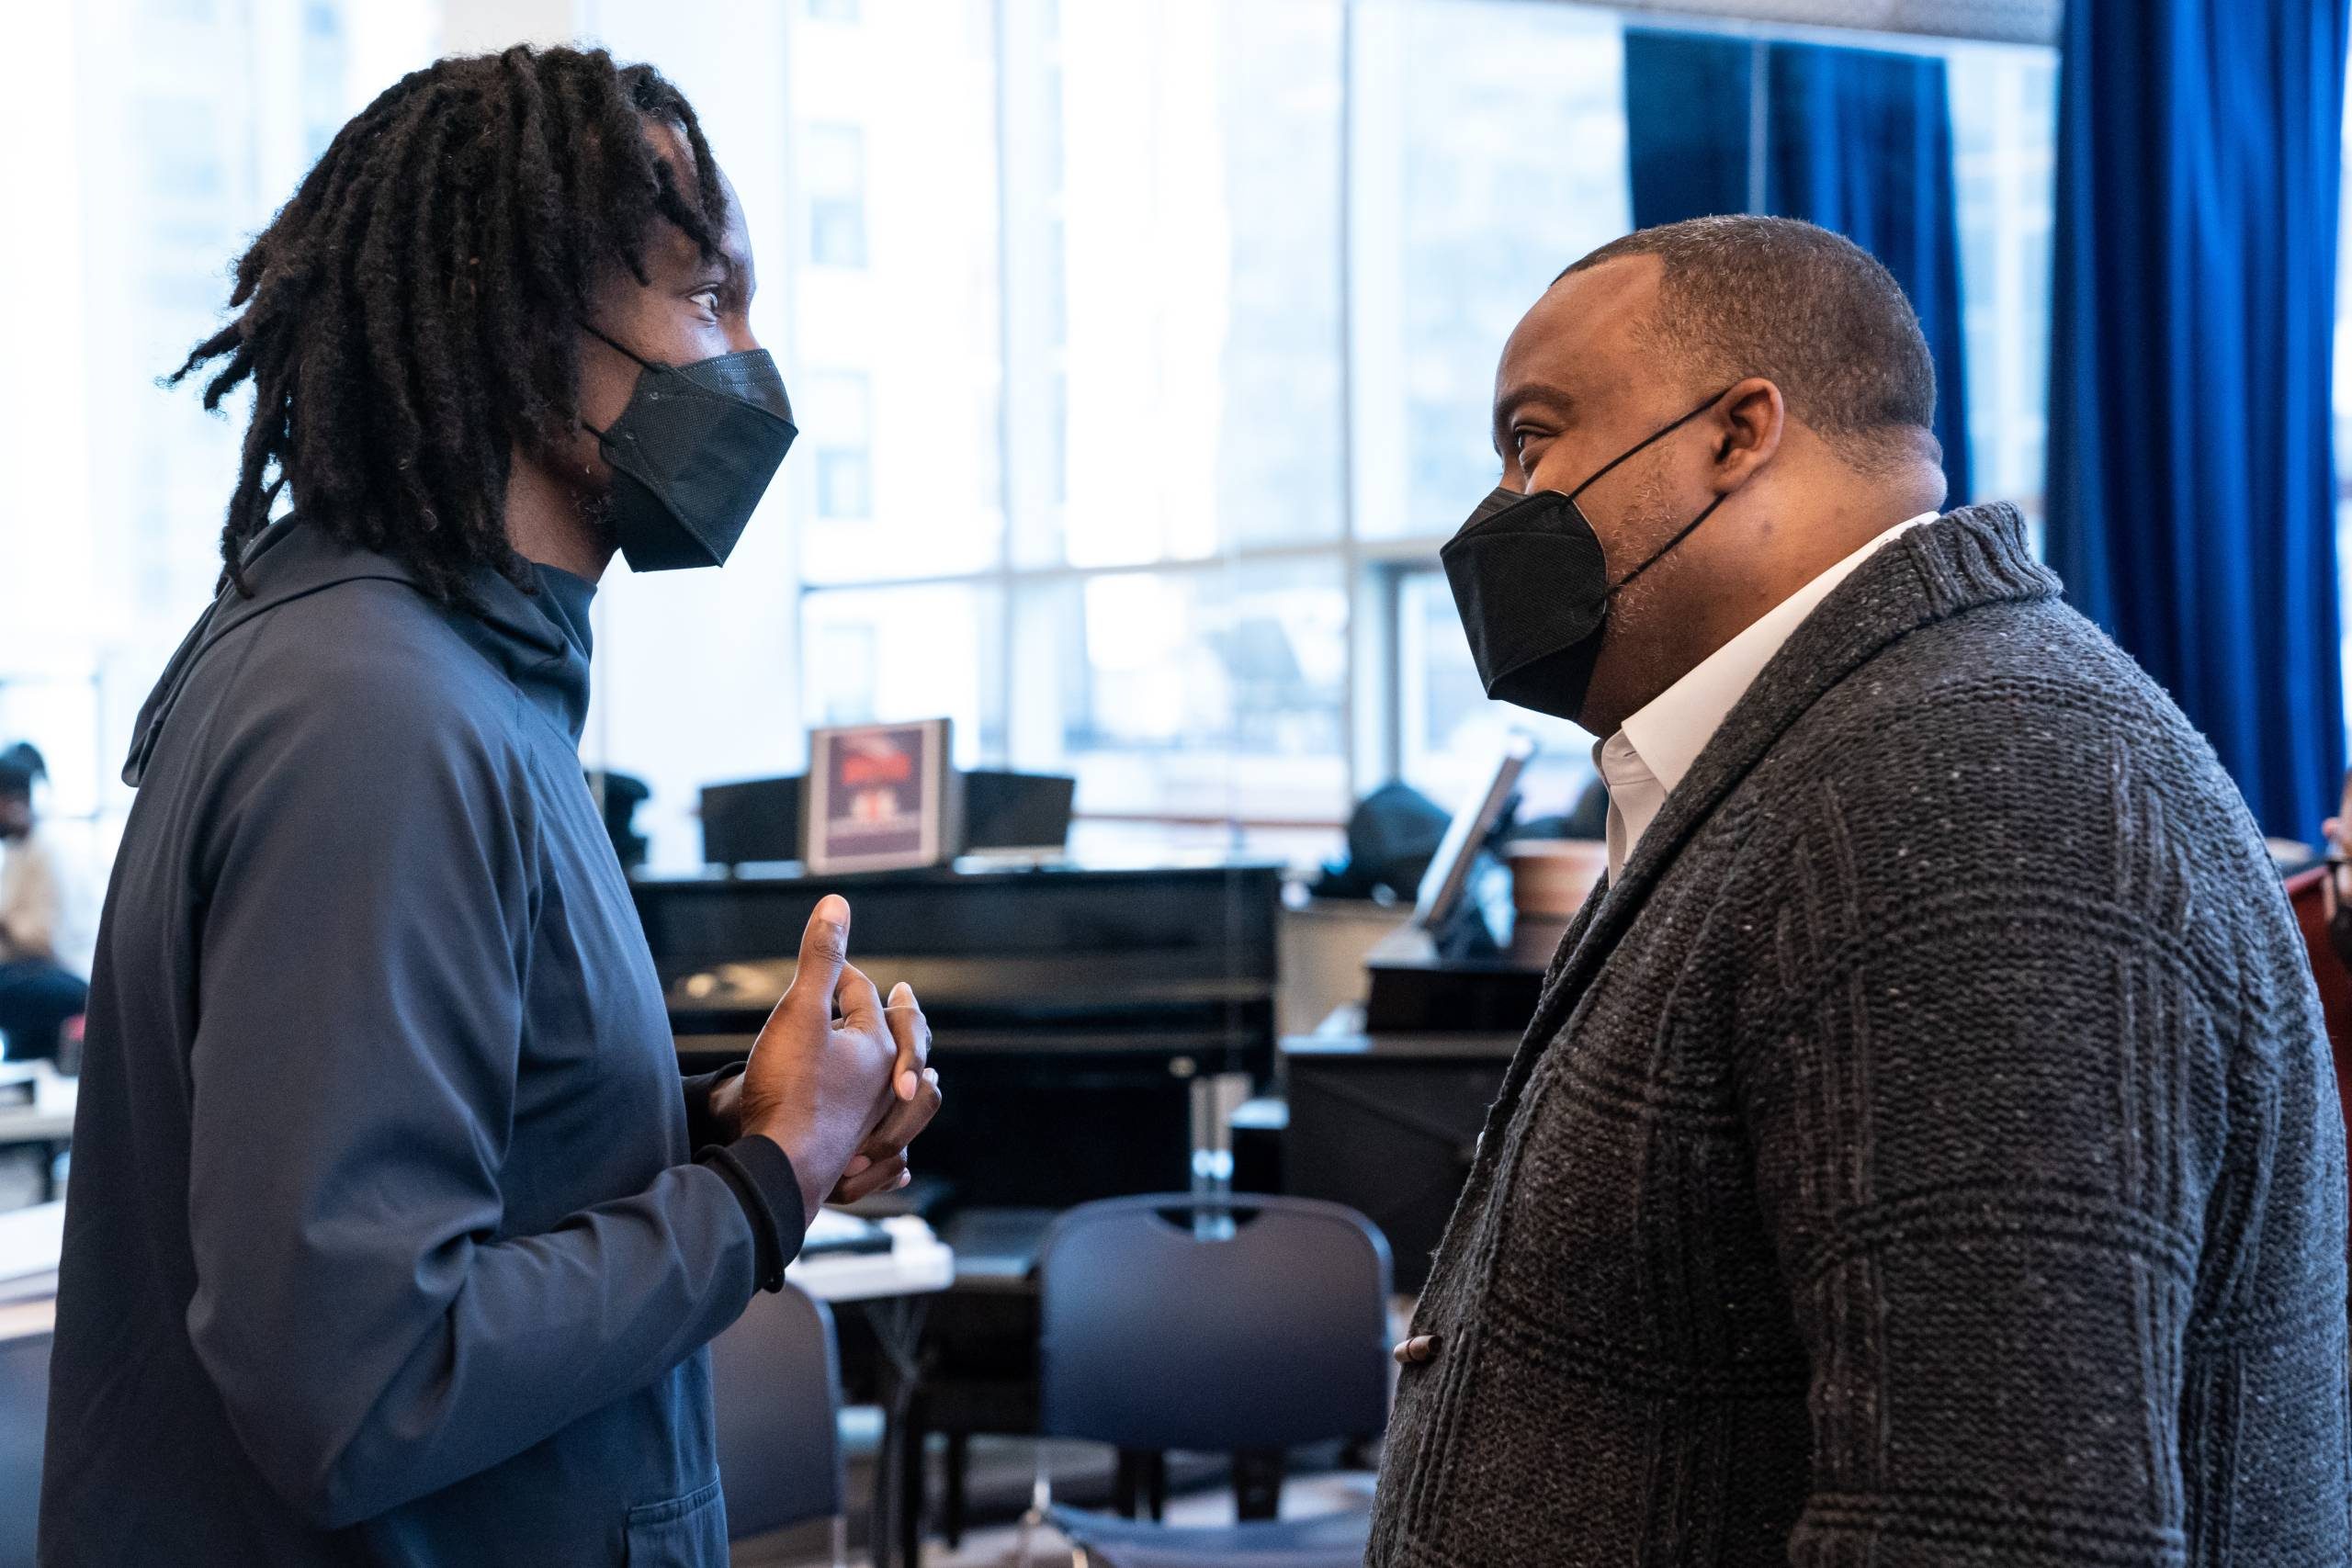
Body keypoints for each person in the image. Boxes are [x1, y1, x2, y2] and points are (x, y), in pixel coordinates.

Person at [40, 47, 943, 1566]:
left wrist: (744, 1120)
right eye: (707, 298)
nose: (748, 362)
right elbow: (363, 1381)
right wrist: (762, 1187)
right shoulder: (377, 718)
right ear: (528, 326)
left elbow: (454, 1171)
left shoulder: (456, 681)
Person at [1374, 216, 2348, 1565]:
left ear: (1738, 432)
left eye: (1533, 440)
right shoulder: (1845, 754)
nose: (1501, 508)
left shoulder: (1975, 786)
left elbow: (1997, 1527)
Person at [0, 743, 87, 1062]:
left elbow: (43, 940)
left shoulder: (49, 849)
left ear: (15, 803)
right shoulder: (16, 851)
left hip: (67, 975)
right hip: (33, 972)